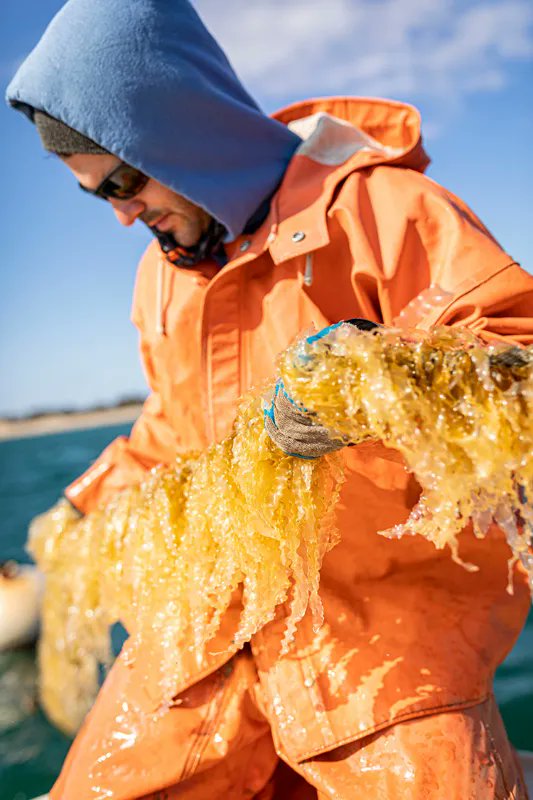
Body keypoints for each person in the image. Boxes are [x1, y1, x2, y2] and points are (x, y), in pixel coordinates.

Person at [7, 1, 533, 798]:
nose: (119, 215)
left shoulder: (383, 211)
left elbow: (516, 352)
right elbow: (169, 431)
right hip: (199, 641)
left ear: (182, 133)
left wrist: (374, 375)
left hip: (383, 654)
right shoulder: (162, 275)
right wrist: (77, 511)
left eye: (122, 180)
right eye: (95, 196)